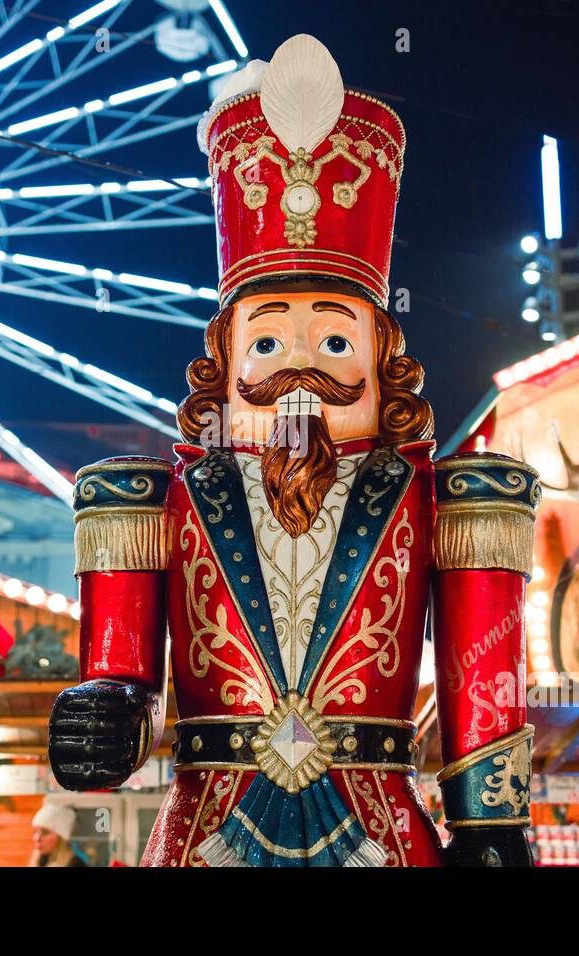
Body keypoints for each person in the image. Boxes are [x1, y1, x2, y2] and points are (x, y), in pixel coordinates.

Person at [48, 34, 540, 868]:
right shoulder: (149, 497)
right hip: (208, 826)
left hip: (378, 824)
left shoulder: (451, 496)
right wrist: (105, 704)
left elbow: (481, 672)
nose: (302, 367)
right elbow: (121, 669)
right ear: (223, 364)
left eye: (337, 344)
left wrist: (490, 824)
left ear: (387, 366)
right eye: (268, 344)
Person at [28, 801, 86, 867]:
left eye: (45, 832)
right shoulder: (39, 861)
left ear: (61, 838)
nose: (36, 838)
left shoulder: (76, 864)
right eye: (35, 832)